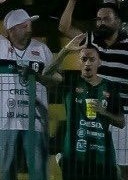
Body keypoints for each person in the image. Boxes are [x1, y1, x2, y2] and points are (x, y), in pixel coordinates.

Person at [0, 0, 52, 180]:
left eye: (29, 23)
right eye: (24, 24)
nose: (29, 26)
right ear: (11, 30)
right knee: (5, 172)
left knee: (39, 172)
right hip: (5, 120)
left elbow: (56, 79)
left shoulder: (42, 49)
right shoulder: (0, 45)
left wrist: (40, 77)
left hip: (35, 120)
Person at [45, 39, 126, 180]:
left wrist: (103, 112)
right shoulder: (70, 82)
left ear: (99, 62)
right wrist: (65, 51)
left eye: (92, 59)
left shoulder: (111, 87)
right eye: (83, 59)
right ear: (79, 62)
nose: (87, 63)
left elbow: (121, 122)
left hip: (102, 159)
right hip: (75, 158)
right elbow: (46, 73)